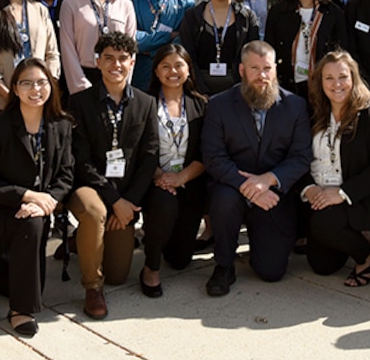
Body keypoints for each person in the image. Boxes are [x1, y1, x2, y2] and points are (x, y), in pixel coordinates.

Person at [0, 59, 73, 337]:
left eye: (41, 82)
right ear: (15, 89)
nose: (35, 89)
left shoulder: (60, 125)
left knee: (33, 277)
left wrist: (48, 199)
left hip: (38, 208)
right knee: (32, 229)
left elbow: (66, 175)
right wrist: (27, 196)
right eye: (26, 82)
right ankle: (20, 310)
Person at [201, 41, 313, 296]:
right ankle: (224, 264)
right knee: (224, 199)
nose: (262, 75)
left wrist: (268, 181)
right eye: (254, 68)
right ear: (241, 70)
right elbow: (214, 157)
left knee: (271, 272)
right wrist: (250, 187)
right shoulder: (219, 105)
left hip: (275, 193)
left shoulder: (295, 106)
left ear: (275, 69)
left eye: (267, 68)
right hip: (233, 187)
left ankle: (261, 244)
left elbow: (301, 156)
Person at [65, 32, 159, 319]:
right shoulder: (79, 102)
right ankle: (93, 287)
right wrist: (113, 199)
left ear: (132, 62)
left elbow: (150, 156)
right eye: (108, 58)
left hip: (126, 195)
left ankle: (83, 241)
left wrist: (128, 201)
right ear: (98, 62)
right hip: (90, 188)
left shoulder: (146, 103)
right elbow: (80, 160)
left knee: (118, 275)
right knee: (94, 212)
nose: (115, 65)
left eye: (122, 59)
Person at [299, 51, 370, 286]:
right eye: (329, 78)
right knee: (322, 266)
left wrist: (342, 193)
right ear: (320, 82)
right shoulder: (312, 113)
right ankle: (355, 239)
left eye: (342, 76)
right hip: (319, 198)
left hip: (358, 198)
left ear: (353, 78)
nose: (336, 84)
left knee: (323, 223)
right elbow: (297, 158)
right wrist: (309, 188)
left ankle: (368, 255)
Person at [138, 45, 209, 297]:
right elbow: (138, 150)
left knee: (180, 260)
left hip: (189, 181)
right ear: (156, 71)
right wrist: (160, 176)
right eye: (165, 66)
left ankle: (164, 240)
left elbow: (206, 154)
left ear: (189, 69)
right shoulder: (144, 104)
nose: (172, 71)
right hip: (154, 181)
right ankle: (151, 267)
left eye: (179, 65)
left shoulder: (201, 105)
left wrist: (180, 178)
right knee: (164, 202)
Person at [264, 0, 348, 98]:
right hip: (287, 87)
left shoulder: (332, 12)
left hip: (324, 88)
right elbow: (270, 49)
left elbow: (343, 51)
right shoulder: (278, 12)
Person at [59, 0, 136, 94]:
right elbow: (67, 49)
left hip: (116, 75)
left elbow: (131, 48)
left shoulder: (126, 5)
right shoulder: (71, 4)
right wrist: (81, 87)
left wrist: (123, 83)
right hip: (85, 76)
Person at [179, 0, 261, 96]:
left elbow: (252, 56)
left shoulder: (246, 17)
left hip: (237, 90)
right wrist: (200, 90)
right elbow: (188, 56)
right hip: (198, 89)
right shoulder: (192, 16)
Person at [131, 0, 196, 91]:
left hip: (173, 76)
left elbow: (184, 40)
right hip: (141, 77)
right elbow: (134, 40)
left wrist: (151, 50)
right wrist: (169, 36)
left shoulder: (186, 3)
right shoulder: (131, 3)